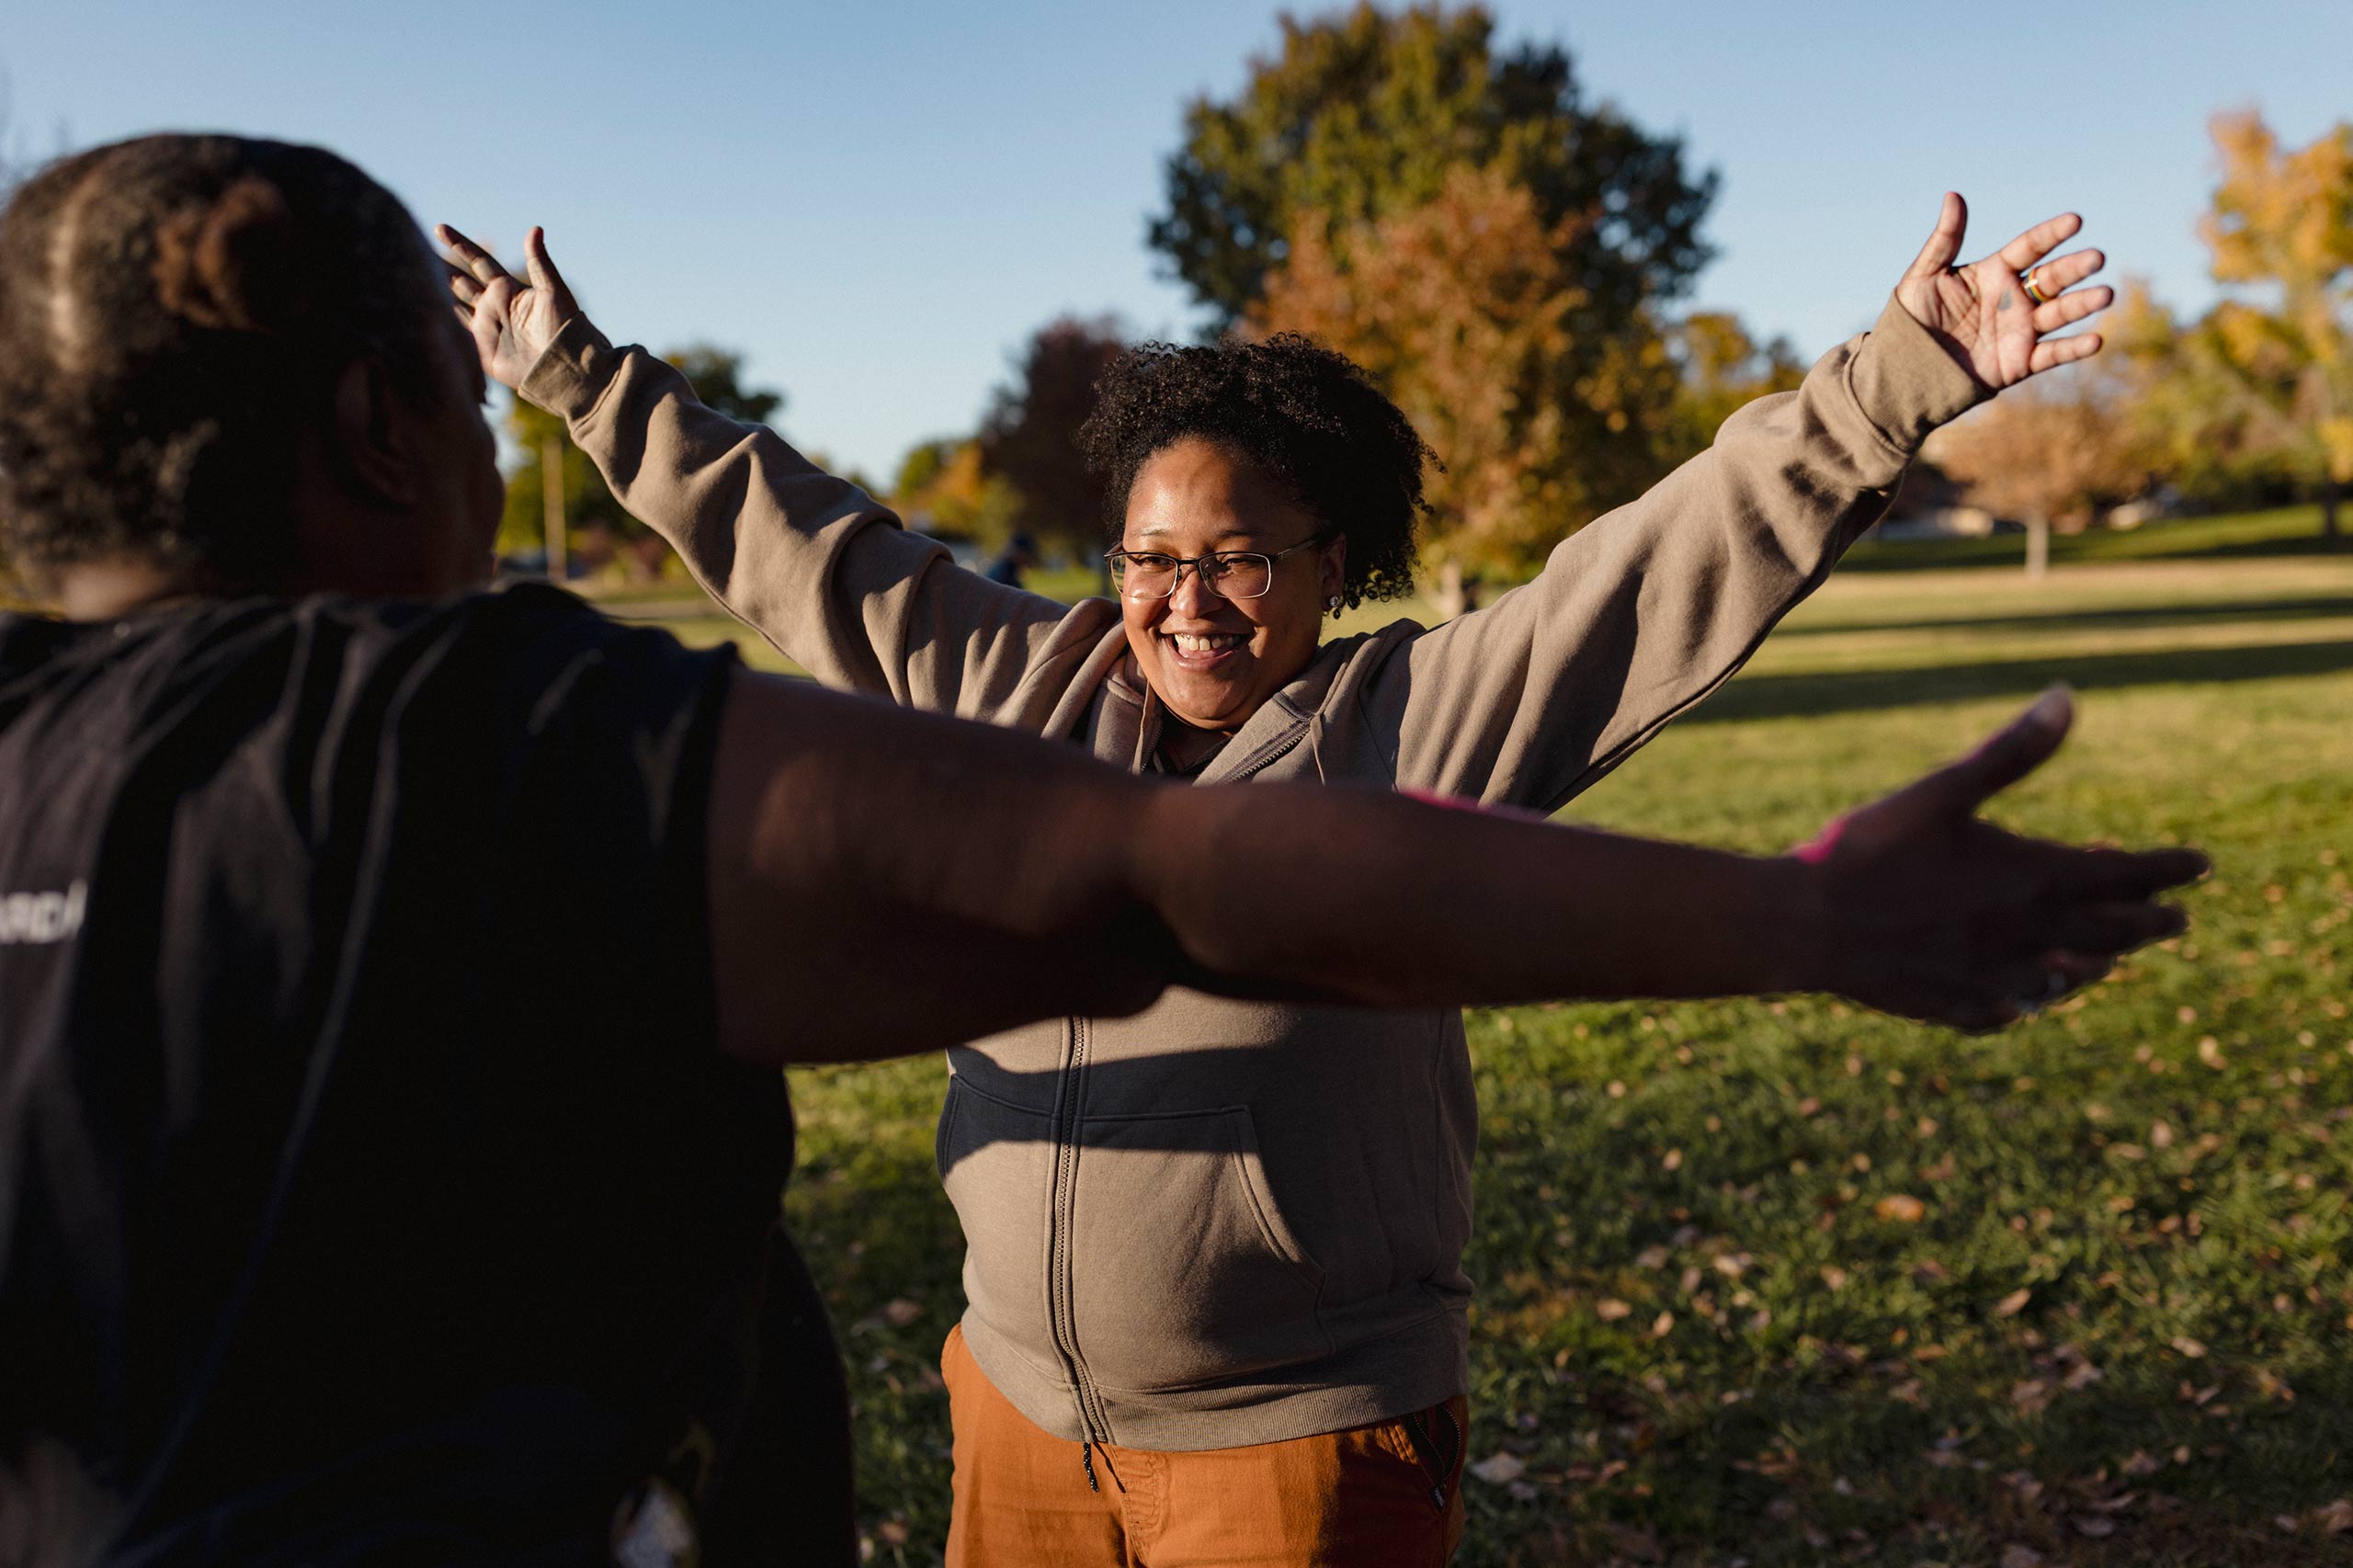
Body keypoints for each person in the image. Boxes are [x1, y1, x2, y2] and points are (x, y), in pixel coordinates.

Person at [0, 132, 2200, 1568]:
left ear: (1329, 566)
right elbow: (808, 545)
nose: (1186, 600)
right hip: (1017, 1405)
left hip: (1294, 1432)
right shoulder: (1009, 692)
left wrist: (1892, 377)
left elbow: (1649, 569)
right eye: (1153, 558)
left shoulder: (1420, 712)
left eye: (1240, 560)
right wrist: (582, 375)